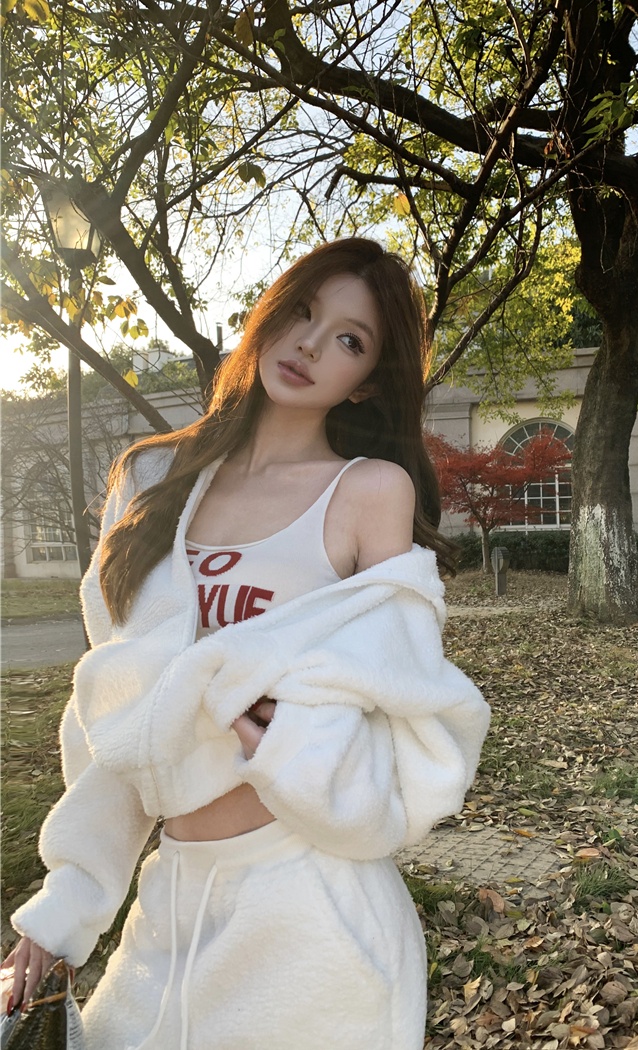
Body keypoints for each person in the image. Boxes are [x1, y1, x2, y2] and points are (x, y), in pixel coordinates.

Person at [4, 237, 490, 1050]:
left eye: (348, 339)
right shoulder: (151, 480)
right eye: (301, 312)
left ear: (367, 378)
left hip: (313, 911)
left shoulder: (371, 491)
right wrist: (67, 909)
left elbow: (412, 709)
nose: (310, 345)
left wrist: (291, 739)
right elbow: (115, 711)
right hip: (168, 906)